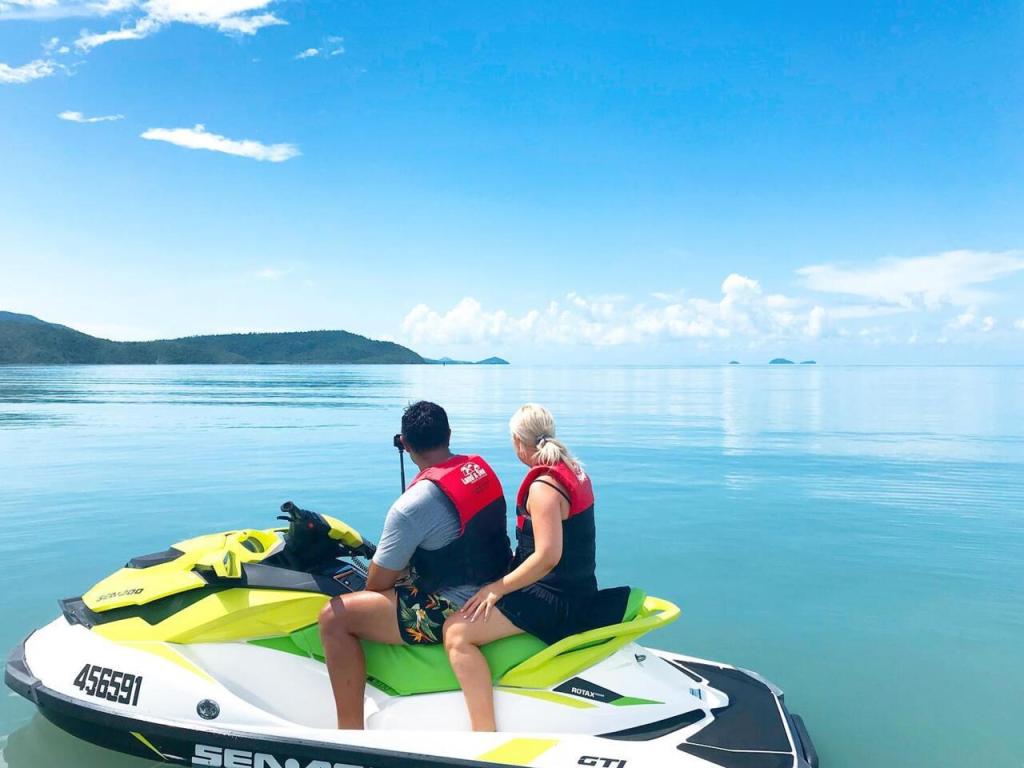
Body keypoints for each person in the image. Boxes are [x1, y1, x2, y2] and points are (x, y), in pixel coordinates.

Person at [318, 400, 510, 728]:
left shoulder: (409, 508)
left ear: (405, 444)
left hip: (458, 605)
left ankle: (349, 732)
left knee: (333, 618)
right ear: (449, 434)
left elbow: (377, 585)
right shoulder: (478, 470)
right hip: (499, 585)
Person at [443, 403, 597, 731]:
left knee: (456, 633)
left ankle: (483, 735)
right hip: (578, 586)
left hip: (558, 600)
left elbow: (547, 557)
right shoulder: (573, 469)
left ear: (517, 441)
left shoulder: (543, 488)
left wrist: (497, 587)